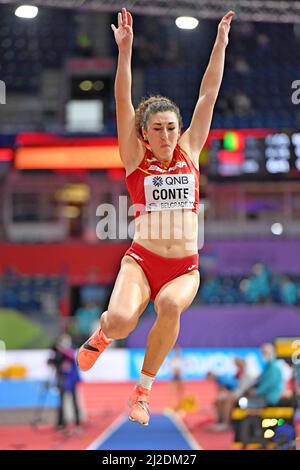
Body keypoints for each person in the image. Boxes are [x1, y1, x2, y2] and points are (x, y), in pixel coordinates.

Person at [77, 7, 235, 426]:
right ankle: (104, 334)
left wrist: (219, 45)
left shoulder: (190, 149)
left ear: (179, 128)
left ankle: (142, 392)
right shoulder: (134, 159)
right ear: (143, 133)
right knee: (124, 322)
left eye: (171, 127)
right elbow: (122, 99)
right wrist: (124, 52)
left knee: (169, 306)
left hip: (184, 268)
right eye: (157, 129)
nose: (166, 135)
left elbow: (209, 93)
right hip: (142, 261)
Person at [48, 334, 81, 430]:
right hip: (62, 378)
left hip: (71, 378)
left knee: (74, 401)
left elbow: (71, 355)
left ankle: (77, 421)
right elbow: (54, 360)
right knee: (61, 402)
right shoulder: (59, 352)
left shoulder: (71, 349)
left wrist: (60, 349)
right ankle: (61, 422)